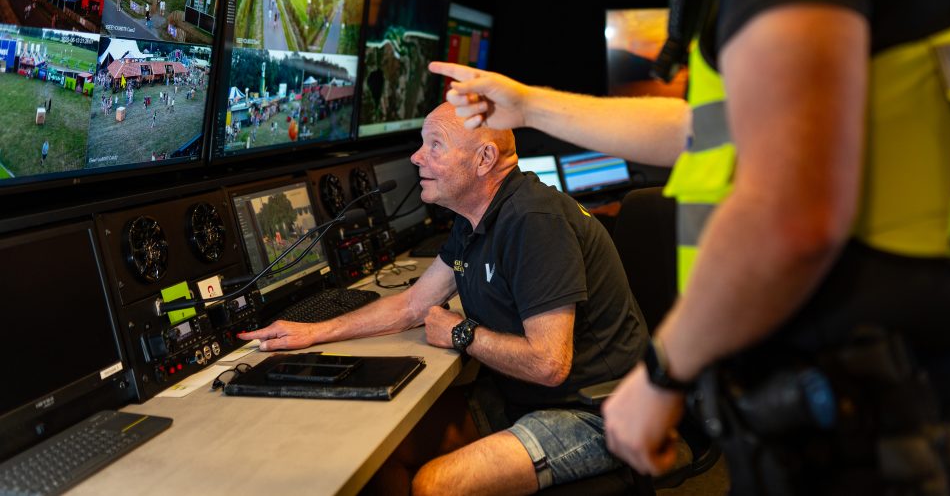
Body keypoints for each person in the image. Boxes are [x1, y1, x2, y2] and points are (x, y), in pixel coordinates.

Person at [430, 0, 950, 493]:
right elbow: (708, 128)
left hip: (881, 402)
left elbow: (790, 210)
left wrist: (664, 374)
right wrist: (530, 105)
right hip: (940, 373)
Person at [239, 102, 648, 495]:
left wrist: (461, 333)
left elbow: (548, 364)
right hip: (521, 398)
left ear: (484, 159)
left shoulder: (535, 223)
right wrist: (313, 332)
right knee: (378, 457)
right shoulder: (476, 219)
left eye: (435, 145)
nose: (417, 157)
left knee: (435, 485)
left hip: (599, 414)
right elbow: (413, 305)